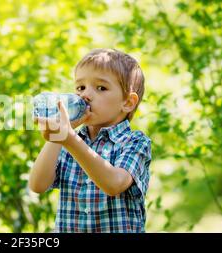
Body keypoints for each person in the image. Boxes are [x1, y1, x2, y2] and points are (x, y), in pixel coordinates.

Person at [29, 48, 152, 232]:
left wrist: (69, 140)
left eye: (101, 88)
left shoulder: (135, 142)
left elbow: (114, 184)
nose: (85, 95)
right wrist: (56, 137)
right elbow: (38, 185)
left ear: (127, 102)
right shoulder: (70, 140)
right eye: (80, 87)